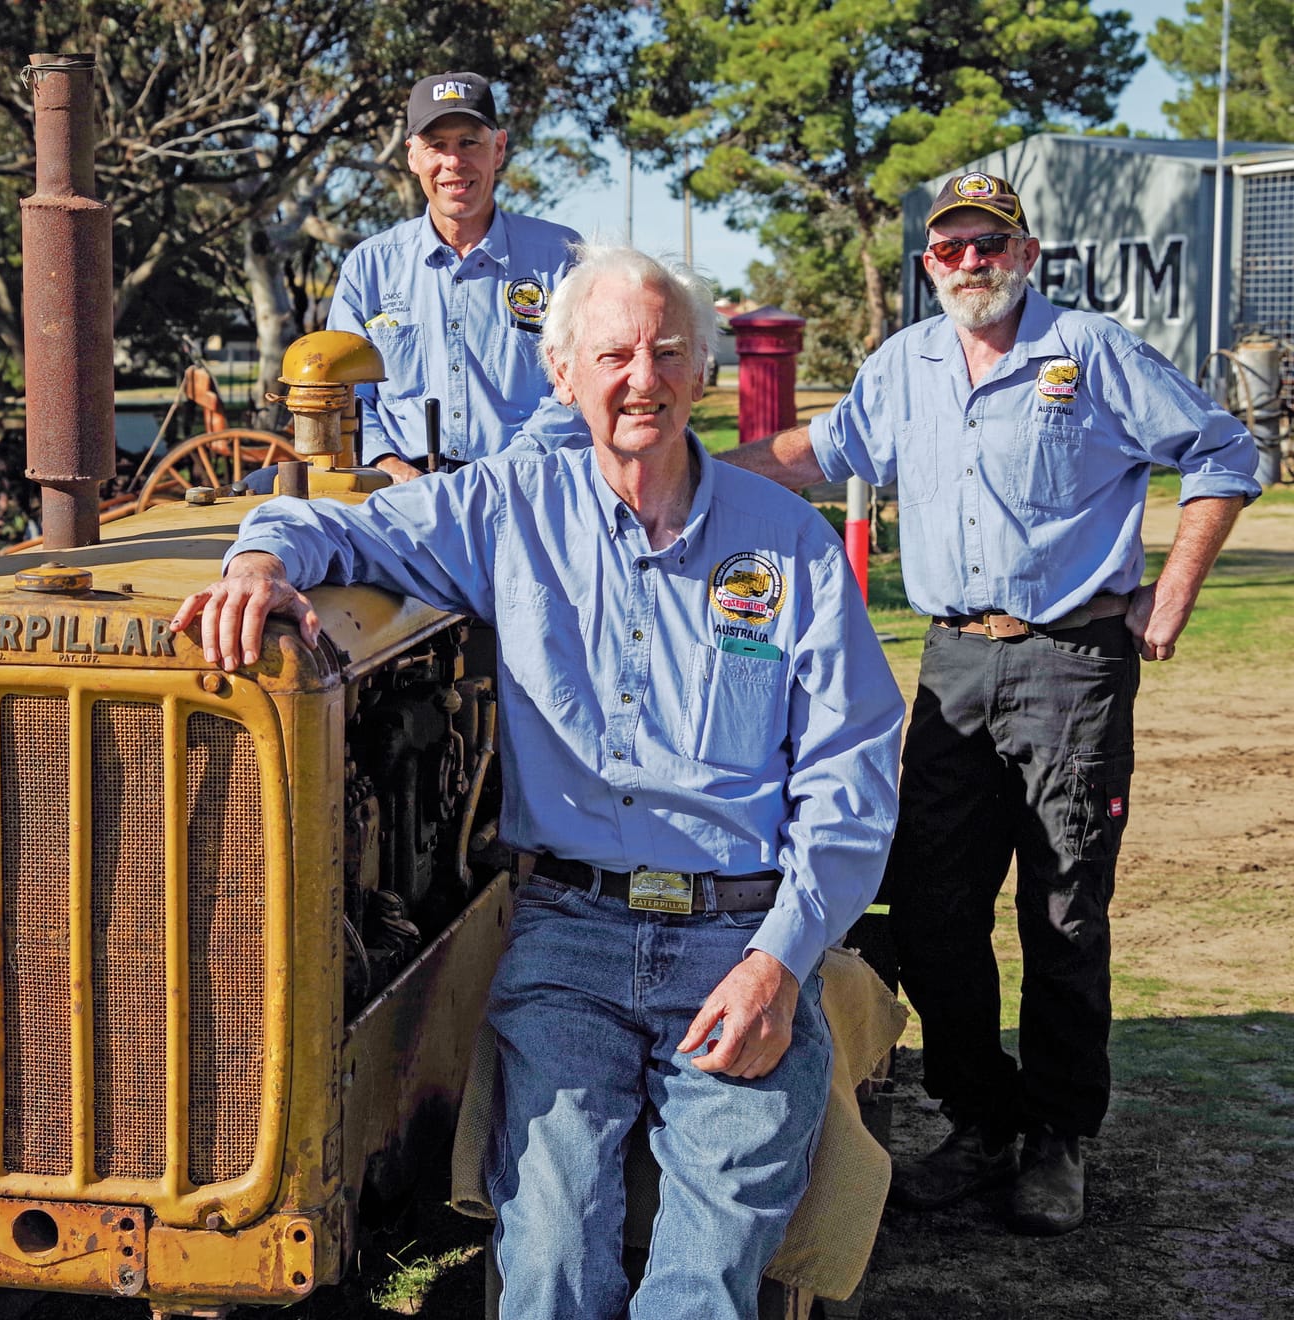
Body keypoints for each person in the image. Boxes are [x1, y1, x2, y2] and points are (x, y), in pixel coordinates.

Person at [175, 244, 903, 1319]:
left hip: (736, 939)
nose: (639, 378)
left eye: (663, 351)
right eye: (611, 354)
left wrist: (779, 965)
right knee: (550, 1258)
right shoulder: (510, 506)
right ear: (561, 376)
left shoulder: (784, 548)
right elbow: (330, 523)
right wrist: (255, 565)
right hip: (570, 933)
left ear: (698, 371)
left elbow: (849, 774)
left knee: (701, 1281)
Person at [724, 171, 1260, 1235]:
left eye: (988, 244)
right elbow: (814, 454)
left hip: (1072, 661)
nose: (969, 262)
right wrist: (681, 471)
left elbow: (1222, 452)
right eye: (951, 247)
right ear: (928, 264)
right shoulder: (905, 363)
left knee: (1059, 911)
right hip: (951, 664)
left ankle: (1056, 1139)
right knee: (926, 906)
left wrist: (1171, 591)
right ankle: (977, 1120)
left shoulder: (1088, 351)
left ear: (1024, 252)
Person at [325, 71, 584, 481]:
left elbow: (582, 389)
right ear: (412, 156)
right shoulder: (369, 267)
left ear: (497, 149)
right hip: (401, 494)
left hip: (530, 488)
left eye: (468, 143)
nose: (453, 162)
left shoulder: (562, 260)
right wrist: (389, 467)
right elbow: (347, 398)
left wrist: (505, 472)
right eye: (436, 146)